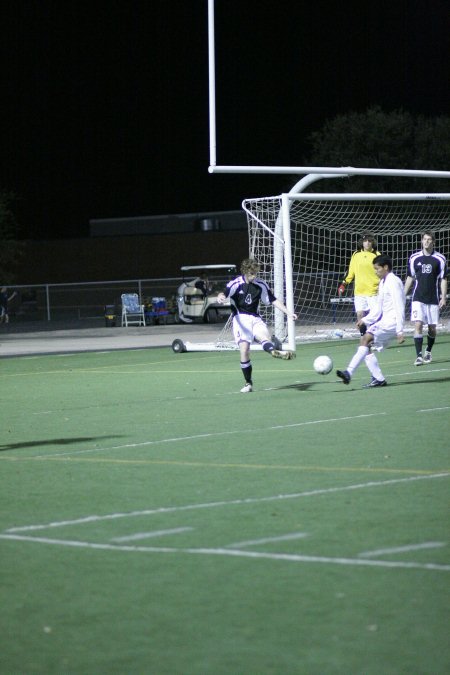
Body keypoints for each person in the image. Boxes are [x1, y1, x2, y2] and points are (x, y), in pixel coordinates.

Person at [217, 258, 298, 393]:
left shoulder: (261, 284)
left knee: (264, 337)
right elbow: (224, 293)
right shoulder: (236, 283)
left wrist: (289, 313)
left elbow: (273, 300)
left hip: (255, 318)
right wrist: (220, 297)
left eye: (255, 273)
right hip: (240, 319)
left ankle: (274, 351)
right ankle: (248, 383)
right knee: (244, 350)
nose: (254, 276)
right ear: (245, 272)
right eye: (251, 274)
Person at [336, 254, 405, 388]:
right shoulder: (383, 282)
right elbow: (378, 308)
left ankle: (349, 372)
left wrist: (400, 330)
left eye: (377, 269)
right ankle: (378, 378)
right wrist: (365, 320)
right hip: (385, 321)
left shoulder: (393, 281)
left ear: (385, 267)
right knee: (365, 344)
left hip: (391, 322)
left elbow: (399, 306)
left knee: (365, 339)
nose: (375, 272)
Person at [404, 231, 448, 366]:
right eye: (425, 239)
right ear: (422, 241)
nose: (427, 242)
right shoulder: (414, 258)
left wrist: (443, 297)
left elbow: (443, 279)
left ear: (433, 242)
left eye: (429, 239)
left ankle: (428, 350)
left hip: (433, 299)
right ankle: (418, 356)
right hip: (418, 298)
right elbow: (410, 277)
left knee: (432, 329)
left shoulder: (440, 259)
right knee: (418, 324)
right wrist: (403, 294)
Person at [338, 233, 381, 334]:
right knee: (360, 314)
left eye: (369, 241)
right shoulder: (356, 254)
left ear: (372, 243)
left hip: (373, 292)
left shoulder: (377, 255)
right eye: (365, 241)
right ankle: (363, 336)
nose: (367, 243)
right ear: (362, 242)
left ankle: (373, 337)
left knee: (373, 317)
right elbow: (351, 271)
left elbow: (381, 272)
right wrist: (343, 284)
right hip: (360, 291)